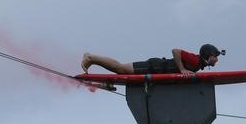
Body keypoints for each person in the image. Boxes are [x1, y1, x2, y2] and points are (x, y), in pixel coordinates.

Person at [80, 44, 225, 76]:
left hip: (156, 68)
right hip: (154, 67)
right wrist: (182, 70)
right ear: (208, 54)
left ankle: (93, 61)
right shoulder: (195, 60)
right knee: (121, 69)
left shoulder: (198, 64)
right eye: (216, 56)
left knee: (121, 70)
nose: (217, 60)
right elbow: (176, 51)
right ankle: (91, 57)